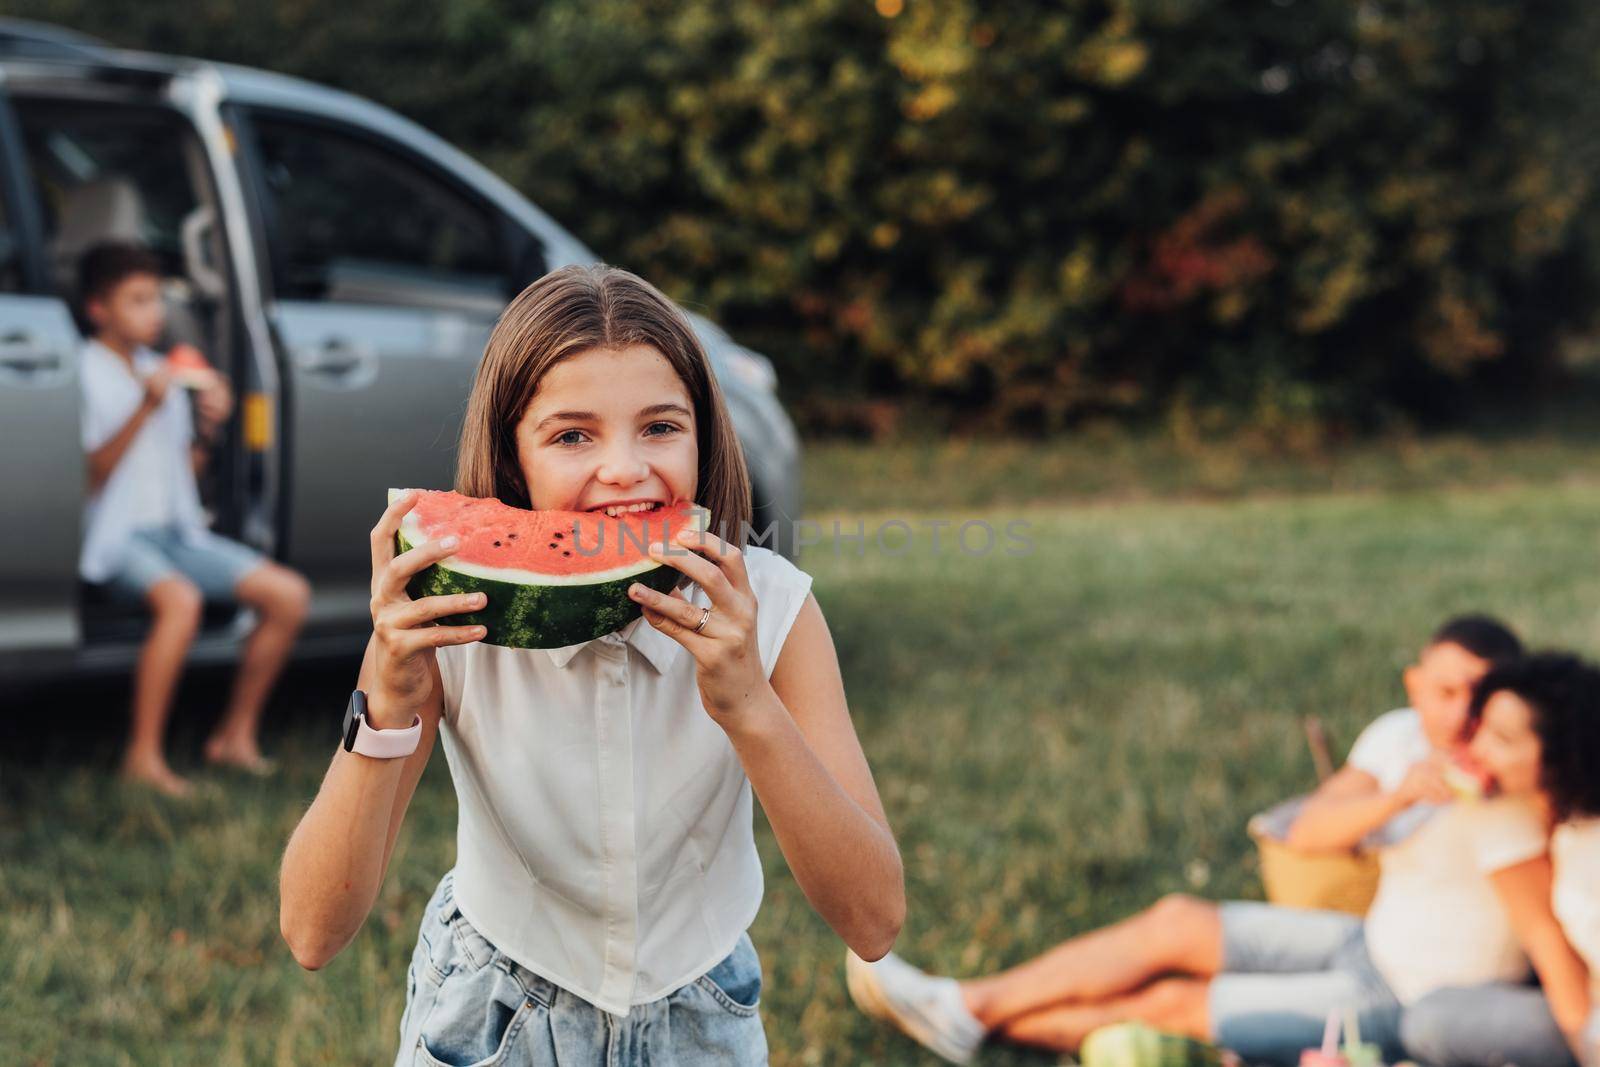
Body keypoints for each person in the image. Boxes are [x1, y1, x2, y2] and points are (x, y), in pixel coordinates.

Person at [278, 264, 905, 1065]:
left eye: (660, 427)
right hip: (494, 1012)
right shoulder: (445, 622)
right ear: (513, 461)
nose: (625, 469)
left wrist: (749, 704)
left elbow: (875, 919)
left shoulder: (775, 608)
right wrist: (388, 700)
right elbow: (311, 932)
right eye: (572, 435)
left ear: (703, 437)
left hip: (700, 1019)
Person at [843, 614, 1554, 1065]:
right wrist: (1400, 796)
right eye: (1445, 692)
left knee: (1173, 1003)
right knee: (1177, 921)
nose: (1462, 714)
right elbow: (1306, 828)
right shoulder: (1397, 737)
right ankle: (968, 1006)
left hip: (1412, 996)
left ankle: (972, 1020)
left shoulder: (1519, 768)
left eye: (1482, 696)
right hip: (1364, 939)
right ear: (1415, 684)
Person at [78, 240, 310, 796]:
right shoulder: (86, 371)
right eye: (136, 301)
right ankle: (143, 755)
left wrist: (210, 425)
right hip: (117, 537)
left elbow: (187, 470)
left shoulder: (164, 371)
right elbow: (92, 474)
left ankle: (234, 735)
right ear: (98, 310)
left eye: (156, 299)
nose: (154, 312)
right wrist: (146, 407)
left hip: (177, 531)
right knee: (179, 602)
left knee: (288, 594)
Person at [1398, 652, 1600, 1067]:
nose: (1478, 748)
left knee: (1432, 1022)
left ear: (1559, 758)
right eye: (1482, 728)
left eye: (1503, 740)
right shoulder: (1554, 820)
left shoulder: (1587, 866)